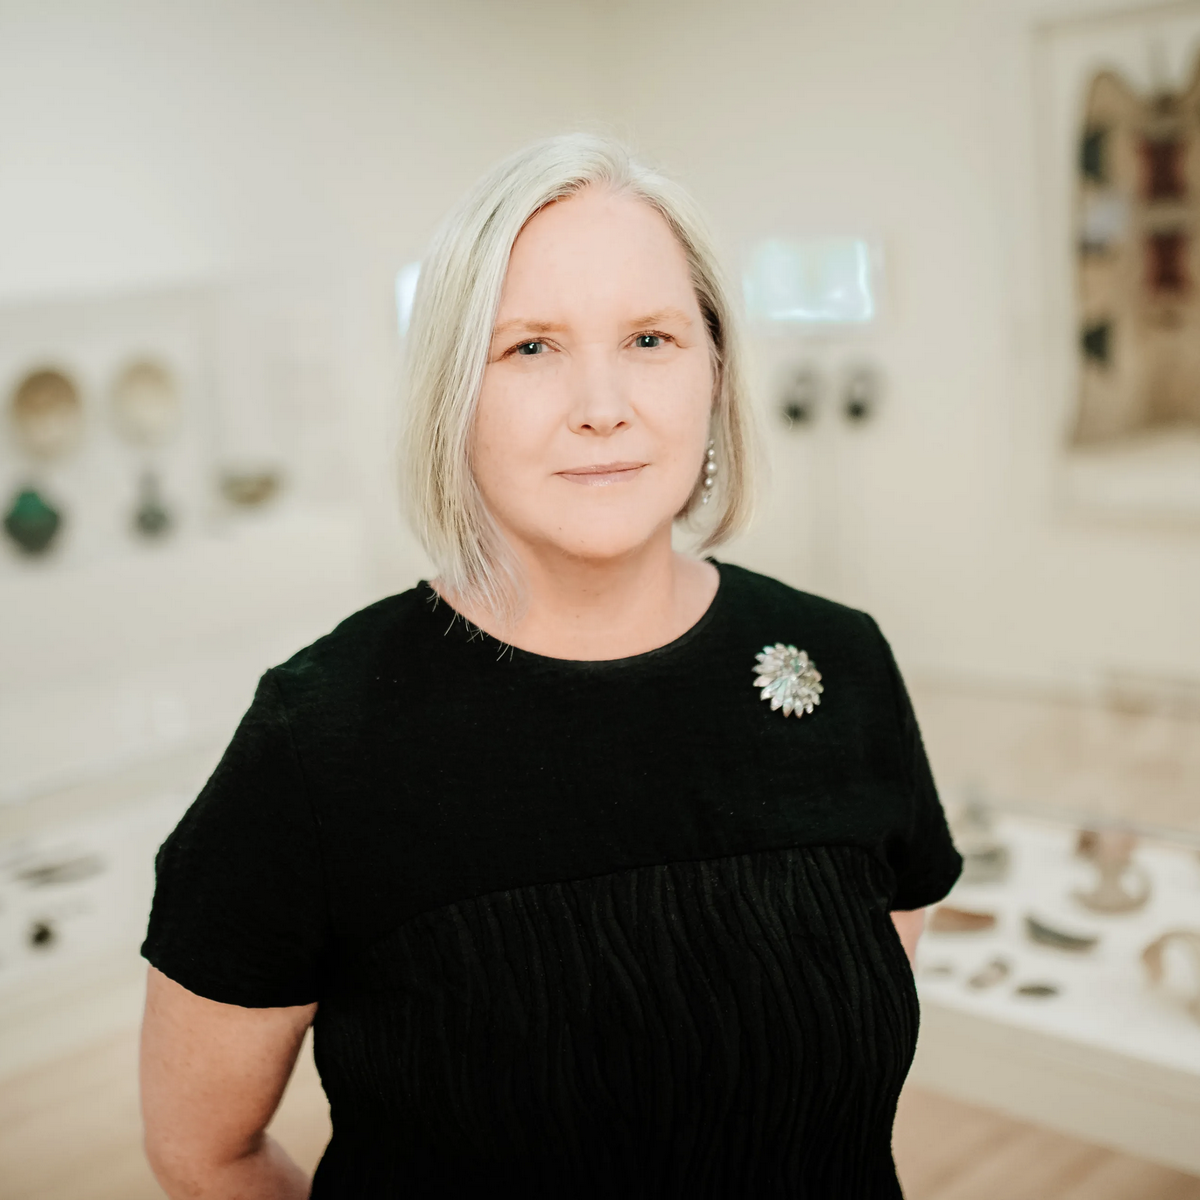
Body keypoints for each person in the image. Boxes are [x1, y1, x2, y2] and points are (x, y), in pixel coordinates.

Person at [139, 133, 962, 1199]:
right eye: (531, 348)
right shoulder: (322, 738)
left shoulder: (840, 666)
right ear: (452, 395)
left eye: (652, 338)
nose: (602, 403)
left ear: (714, 368)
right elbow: (203, 1149)